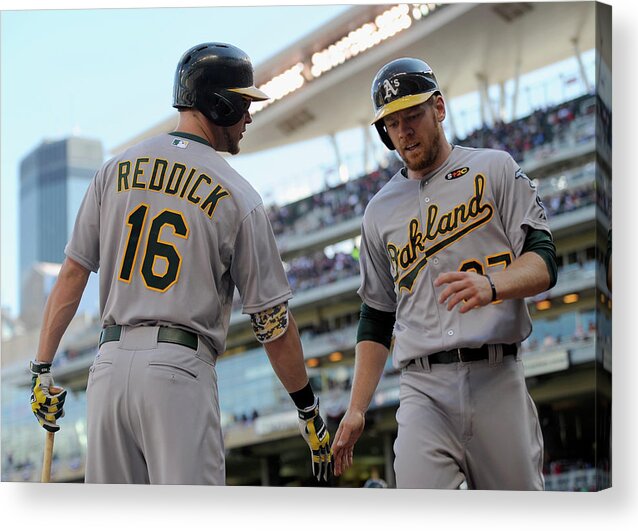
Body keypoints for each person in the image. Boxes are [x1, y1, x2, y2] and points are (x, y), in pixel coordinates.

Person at [29, 42, 332, 485]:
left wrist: (41, 367)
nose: (249, 117)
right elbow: (272, 321)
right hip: (176, 370)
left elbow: (74, 273)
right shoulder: (238, 193)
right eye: (244, 103)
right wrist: (306, 406)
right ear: (219, 103)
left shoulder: (115, 169)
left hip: (108, 370)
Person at [332, 57, 557, 490]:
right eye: (392, 123)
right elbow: (377, 315)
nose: (404, 131)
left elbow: (544, 260)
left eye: (412, 115)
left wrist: (493, 286)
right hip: (422, 389)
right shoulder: (378, 211)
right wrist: (357, 407)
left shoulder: (494, 168)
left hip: (497, 376)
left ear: (439, 108)